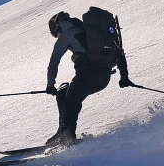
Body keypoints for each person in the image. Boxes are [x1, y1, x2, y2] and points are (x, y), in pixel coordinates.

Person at [45, 9, 133, 147]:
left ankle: (67, 138)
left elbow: (53, 63)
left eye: (55, 33)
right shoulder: (90, 30)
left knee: (71, 101)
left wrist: (50, 85)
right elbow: (119, 51)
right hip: (102, 78)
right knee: (63, 93)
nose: (57, 36)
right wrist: (124, 76)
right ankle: (63, 132)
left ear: (57, 26)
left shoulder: (66, 34)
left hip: (86, 76)